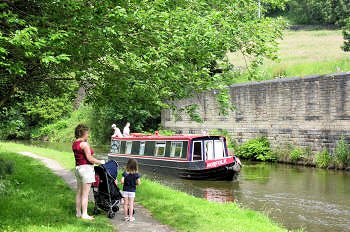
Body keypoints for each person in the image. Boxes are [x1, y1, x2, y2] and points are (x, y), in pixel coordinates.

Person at [72, 124, 105, 220]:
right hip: (86, 169)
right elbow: (90, 158)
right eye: (87, 133)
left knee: (79, 192)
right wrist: (101, 162)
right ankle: (85, 214)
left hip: (78, 169)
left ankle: (78, 213)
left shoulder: (75, 144)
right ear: (82, 133)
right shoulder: (85, 144)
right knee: (85, 194)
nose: (88, 135)